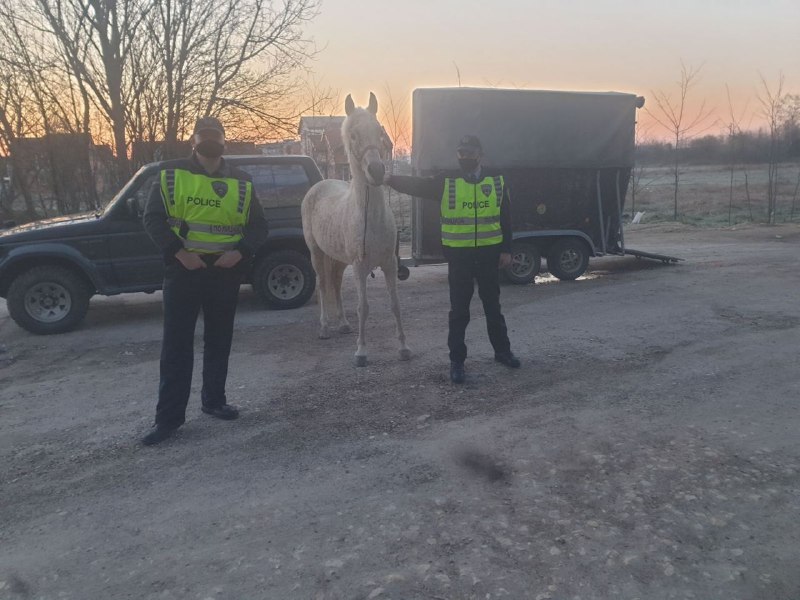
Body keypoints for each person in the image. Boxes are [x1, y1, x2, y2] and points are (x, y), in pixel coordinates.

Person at [141, 116, 268, 445]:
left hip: (224, 272)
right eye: (204, 136)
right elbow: (152, 218)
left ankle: (214, 402)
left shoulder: (242, 181)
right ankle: (167, 421)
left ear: (224, 142)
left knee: (219, 341)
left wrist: (240, 253)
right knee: (176, 346)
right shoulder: (171, 176)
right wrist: (178, 253)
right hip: (184, 270)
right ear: (193, 141)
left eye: (216, 137)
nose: (210, 142)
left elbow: (258, 227)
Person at [383, 134, 520, 384]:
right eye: (460, 154)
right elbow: (418, 185)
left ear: (480, 154)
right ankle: (457, 362)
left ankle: (502, 352)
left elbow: (506, 218)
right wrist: (390, 179)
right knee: (459, 312)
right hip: (460, 258)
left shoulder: (497, 180)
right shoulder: (447, 181)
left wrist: (507, 249)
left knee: (493, 308)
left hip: (489, 256)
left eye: (469, 153)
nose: (464, 158)